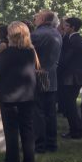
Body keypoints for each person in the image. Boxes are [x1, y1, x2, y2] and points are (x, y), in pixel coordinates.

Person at [0, 21, 37, 162]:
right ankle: (29, 160)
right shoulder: (31, 52)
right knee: (28, 128)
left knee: (11, 129)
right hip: (27, 94)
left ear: (10, 35)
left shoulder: (6, 53)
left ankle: (12, 160)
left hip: (9, 95)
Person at [31, 10, 62, 153]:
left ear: (43, 18)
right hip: (52, 76)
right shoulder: (57, 33)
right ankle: (52, 144)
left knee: (38, 112)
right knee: (50, 113)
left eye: (37, 16)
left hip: (38, 76)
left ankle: (39, 145)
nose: (35, 18)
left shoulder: (37, 35)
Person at [58, 17, 82, 139]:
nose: (63, 27)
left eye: (66, 26)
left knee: (70, 105)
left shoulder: (75, 41)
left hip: (72, 77)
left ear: (73, 27)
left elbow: (65, 60)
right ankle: (77, 129)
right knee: (70, 104)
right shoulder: (72, 38)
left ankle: (76, 131)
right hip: (74, 76)